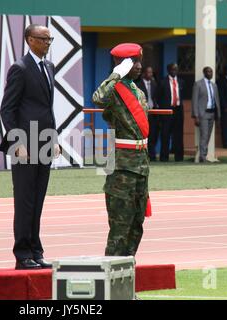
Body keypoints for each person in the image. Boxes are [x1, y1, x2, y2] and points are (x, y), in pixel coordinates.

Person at [0, 24, 60, 270]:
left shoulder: (49, 67)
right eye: (43, 39)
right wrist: (17, 142)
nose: (47, 43)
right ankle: (22, 253)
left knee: (38, 199)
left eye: (49, 39)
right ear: (29, 40)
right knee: (24, 200)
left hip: (43, 141)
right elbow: (7, 109)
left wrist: (53, 139)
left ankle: (36, 250)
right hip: (24, 145)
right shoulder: (20, 68)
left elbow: (47, 108)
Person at [92, 43, 151, 257]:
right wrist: (115, 75)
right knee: (120, 229)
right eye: (133, 61)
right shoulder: (114, 90)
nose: (139, 66)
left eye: (138, 61)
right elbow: (98, 99)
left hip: (141, 167)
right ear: (122, 64)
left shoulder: (138, 92)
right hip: (122, 169)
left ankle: (126, 283)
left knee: (136, 226)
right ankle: (110, 284)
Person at [191, 66, 221, 163]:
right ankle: (202, 157)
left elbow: (217, 101)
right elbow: (194, 100)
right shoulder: (198, 84)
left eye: (212, 72)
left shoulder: (214, 85)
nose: (210, 73)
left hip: (212, 113)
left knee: (208, 136)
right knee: (204, 135)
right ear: (204, 73)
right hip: (203, 114)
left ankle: (204, 154)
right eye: (208, 72)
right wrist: (196, 116)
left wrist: (218, 115)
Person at [157, 63, 185, 162]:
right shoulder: (162, 82)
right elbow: (158, 97)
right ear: (168, 70)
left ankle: (179, 157)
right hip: (167, 111)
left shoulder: (181, 82)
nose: (174, 71)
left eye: (176, 69)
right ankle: (164, 157)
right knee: (165, 134)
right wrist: (163, 107)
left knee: (178, 135)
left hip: (178, 111)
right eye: (172, 69)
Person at [135, 66, 159, 161]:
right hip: (142, 114)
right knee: (143, 135)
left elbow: (156, 97)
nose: (150, 74)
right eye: (148, 72)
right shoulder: (137, 85)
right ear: (144, 73)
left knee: (153, 135)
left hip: (153, 113)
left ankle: (152, 155)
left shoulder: (154, 84)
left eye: (151, 72)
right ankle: (143, 156)